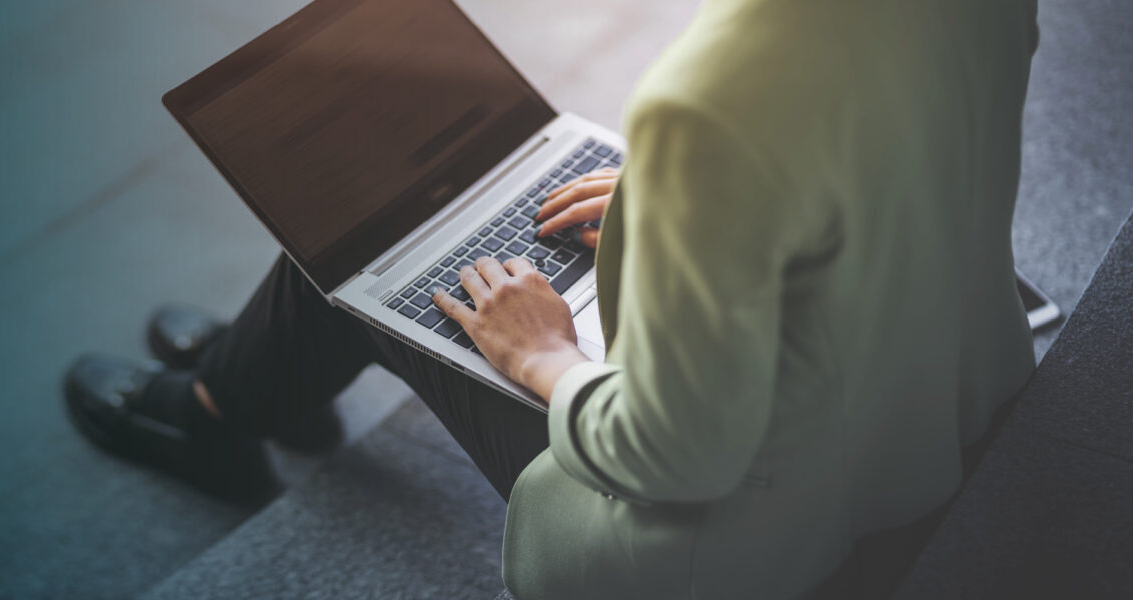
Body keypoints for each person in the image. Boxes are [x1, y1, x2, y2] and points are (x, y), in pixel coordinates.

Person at [64, 0, 1040, 597]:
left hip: (755, 544)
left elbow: (674, 457)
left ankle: (220, 406)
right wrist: (706, 215)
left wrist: (542, 354)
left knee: (388, 253)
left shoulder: (705, 109)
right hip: (931, 395)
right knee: (391, 244)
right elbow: (894, 162)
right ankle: (255, 376)